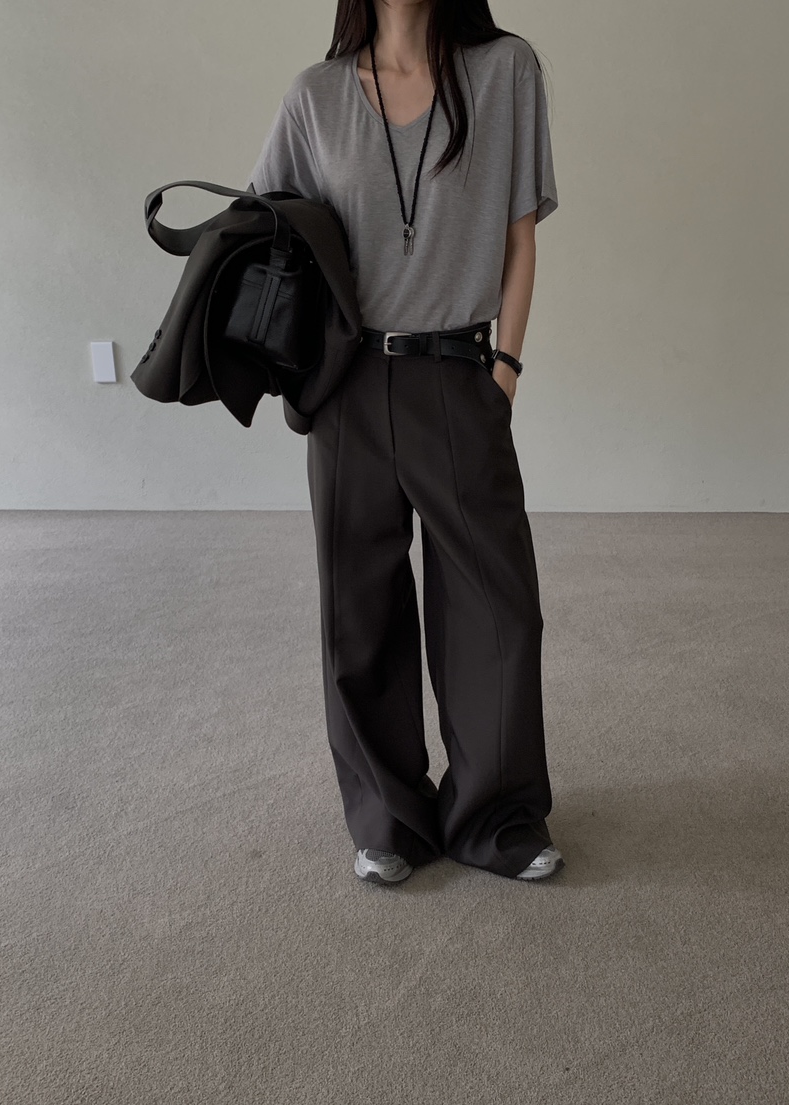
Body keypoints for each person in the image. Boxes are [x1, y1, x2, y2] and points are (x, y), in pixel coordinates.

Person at [246, 0, 565, 886]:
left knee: (498, 605)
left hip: (459, 372)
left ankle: (498, 816)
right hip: (348, 384)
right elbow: (267, 229)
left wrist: (505, 367)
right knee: (359, 604)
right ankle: (387, 816)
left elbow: (519, 235)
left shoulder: (505, 72)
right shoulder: (315, 96)